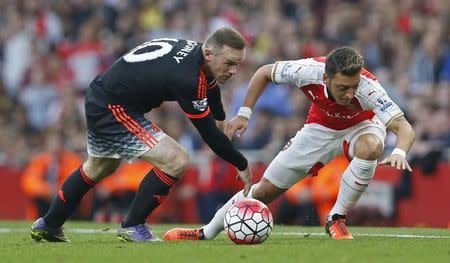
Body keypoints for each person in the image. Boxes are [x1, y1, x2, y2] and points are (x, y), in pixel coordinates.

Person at [164, 46, 415, 240]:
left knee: (372, 146)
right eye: (342, 87)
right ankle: (205, 232)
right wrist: (245, 113)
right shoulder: (306, 71)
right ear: (325, 78)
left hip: (362, 127)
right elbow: (263, 72)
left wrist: (401, 151)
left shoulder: (369, 88)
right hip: (319, 129)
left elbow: (404, 127)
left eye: (353, 86)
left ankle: (336, 218)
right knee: (262, 192)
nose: (350, 94)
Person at [30, 27, 252, 243]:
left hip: (102, 96)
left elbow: (210, 85)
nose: (233, 70)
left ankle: (49, 225)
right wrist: (241, 163)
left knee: (99, 167)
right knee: (176, 159)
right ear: (209, 53)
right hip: (113, 107)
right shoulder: (188, 77)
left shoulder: (197, 52)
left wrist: (221, 117)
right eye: (230, 63)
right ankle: (133, 226)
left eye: (237, 64)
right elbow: (209, 136)